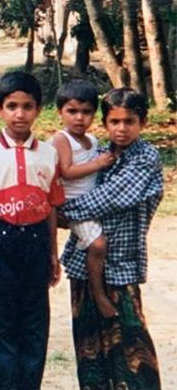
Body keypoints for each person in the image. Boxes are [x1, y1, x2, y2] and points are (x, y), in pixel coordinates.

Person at [60, 88, 174, 390]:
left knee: (131, 331)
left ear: (143, 122)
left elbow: (108, 199)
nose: (121, 128)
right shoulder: (100, 152)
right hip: (84, 253)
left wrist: (56, 213)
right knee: (88, 332)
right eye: (114, 121)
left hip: (122, 256)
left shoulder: (145, 158)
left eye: (129, 121)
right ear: (105, 122)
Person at [0, 71, 63, 390]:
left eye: (28, 106)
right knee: (2, 320)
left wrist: (53, 252)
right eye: (12, 106)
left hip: (36, 241)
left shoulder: (49, 154)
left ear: (39, 110)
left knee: (34, 319)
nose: (20, 114)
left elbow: (53, 205)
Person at [50, 80, 116, 317]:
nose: (79, 118)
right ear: (60, 112)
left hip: (92, 203)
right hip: (73, 205)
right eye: (72, 111)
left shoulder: (92, 141)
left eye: (86, 112)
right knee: (98, 245)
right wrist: (97, 163)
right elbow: (66, 171)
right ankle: (98, 294)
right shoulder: (61, 140)